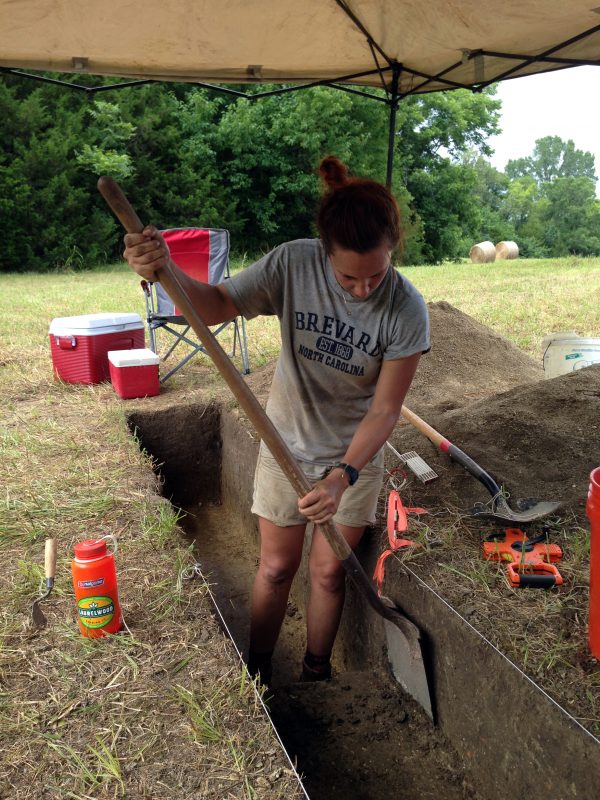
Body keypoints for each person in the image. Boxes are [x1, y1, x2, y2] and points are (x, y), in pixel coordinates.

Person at [123, 156, 430, 684]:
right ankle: (257, 671)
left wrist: (342, 477)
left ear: (393, 249)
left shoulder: (405, 309)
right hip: (283, 444)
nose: (362, 290)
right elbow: (217, 304)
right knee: (276, 567)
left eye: (375, 275)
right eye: (348, 277)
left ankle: (315, 671)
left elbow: (384, 409)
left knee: (331, 573)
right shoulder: (293, 264)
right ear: (324, 252)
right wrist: (165, 269)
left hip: (352, 462)